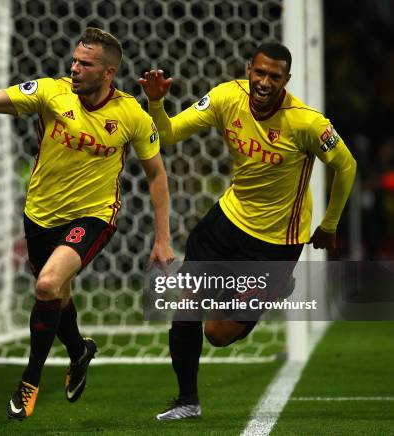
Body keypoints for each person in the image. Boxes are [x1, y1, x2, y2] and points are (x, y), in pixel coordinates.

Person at [0, 27, 175, 420]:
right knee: (58, 296)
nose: (75, 68)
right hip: (40, 215)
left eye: (86, 64)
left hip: (93, 216)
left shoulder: (132, 113)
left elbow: (156, 174)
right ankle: (80, 352)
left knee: (46, 284)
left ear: (108, 73)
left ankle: (29, 381)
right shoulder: (50, 91)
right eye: (75, 60)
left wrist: (162, 238)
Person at [139, 42, 356, 420]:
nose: (264, 82)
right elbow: (169, 135)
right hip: (227, 221)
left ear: (286, 80)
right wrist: (156, 103)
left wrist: (330, 223)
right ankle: (188, 401)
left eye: (275, 76)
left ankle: (274, 288)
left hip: (275, 241)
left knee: (218, 334)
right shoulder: (227, 97)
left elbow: (347, 165)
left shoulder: (306, 122)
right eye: (259, 72)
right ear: (248, 69)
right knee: (186, 309)